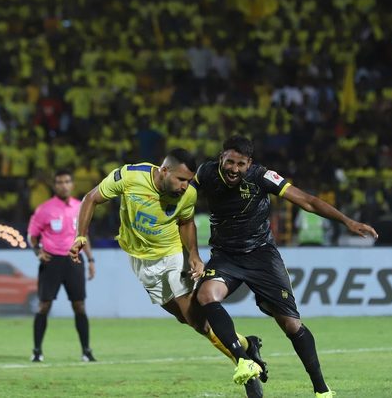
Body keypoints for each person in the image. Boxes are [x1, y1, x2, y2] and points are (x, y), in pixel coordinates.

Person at [69, 148, 266, 397]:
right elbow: (91, 198)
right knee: (189, 320)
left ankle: (244, 364)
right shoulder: (129, 176)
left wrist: (193, 255)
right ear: (164, 170)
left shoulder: (188, 194)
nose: (185, 186)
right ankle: (248, 343)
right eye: (181, 179)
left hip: (172, 256)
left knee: (198, 322)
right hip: (140, 261)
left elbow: (186, 222)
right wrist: (81, 236)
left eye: (188, 180)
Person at [192, 136, 379, 398]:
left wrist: (348, 222)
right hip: (225, 256)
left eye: (240, 164)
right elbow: (182, 198)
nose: (234, 169)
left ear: (249, 163)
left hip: (262, 256)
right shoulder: (205, 173)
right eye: (230, 162)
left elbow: (308, 201)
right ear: (221, 157)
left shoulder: (262, 177)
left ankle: (322, 390)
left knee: (291, 325)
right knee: (205, 295)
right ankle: (243, 360)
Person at [27, 170, 96, 362]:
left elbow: (84, 236)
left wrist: (91, 260)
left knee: (79, 306)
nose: (63, 185)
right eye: (59, 182)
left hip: (74, 260)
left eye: (66, 182)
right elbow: (32, 235)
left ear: (72, 184)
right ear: (54, 185)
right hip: (52, 261)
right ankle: (37, 351)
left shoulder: (80, 207)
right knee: (44, 306)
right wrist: (37, 251)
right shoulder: (44, 209)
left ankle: (86, 351)